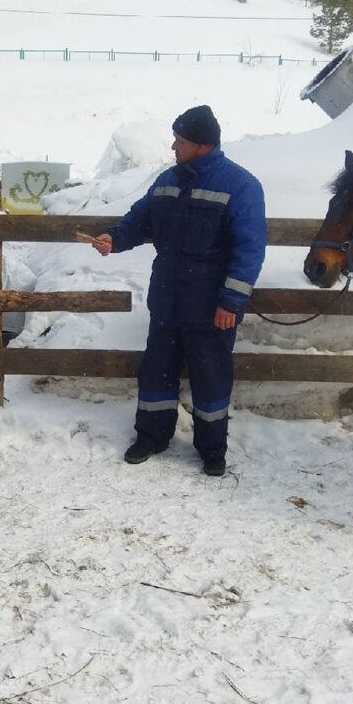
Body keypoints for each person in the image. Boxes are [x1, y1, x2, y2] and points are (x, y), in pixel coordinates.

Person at [91, 105, 266, 476]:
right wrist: (115, 238)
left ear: (202, 145)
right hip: (167, 301)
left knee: (211, 377)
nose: (173, 146)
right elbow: (141, 219)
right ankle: (151, 436)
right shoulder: (167, 180)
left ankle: (212, 449)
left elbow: (249, 249)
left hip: (210, 307)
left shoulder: (241, 185)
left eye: (181, 140)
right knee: (156, 372)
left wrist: (231, 300)